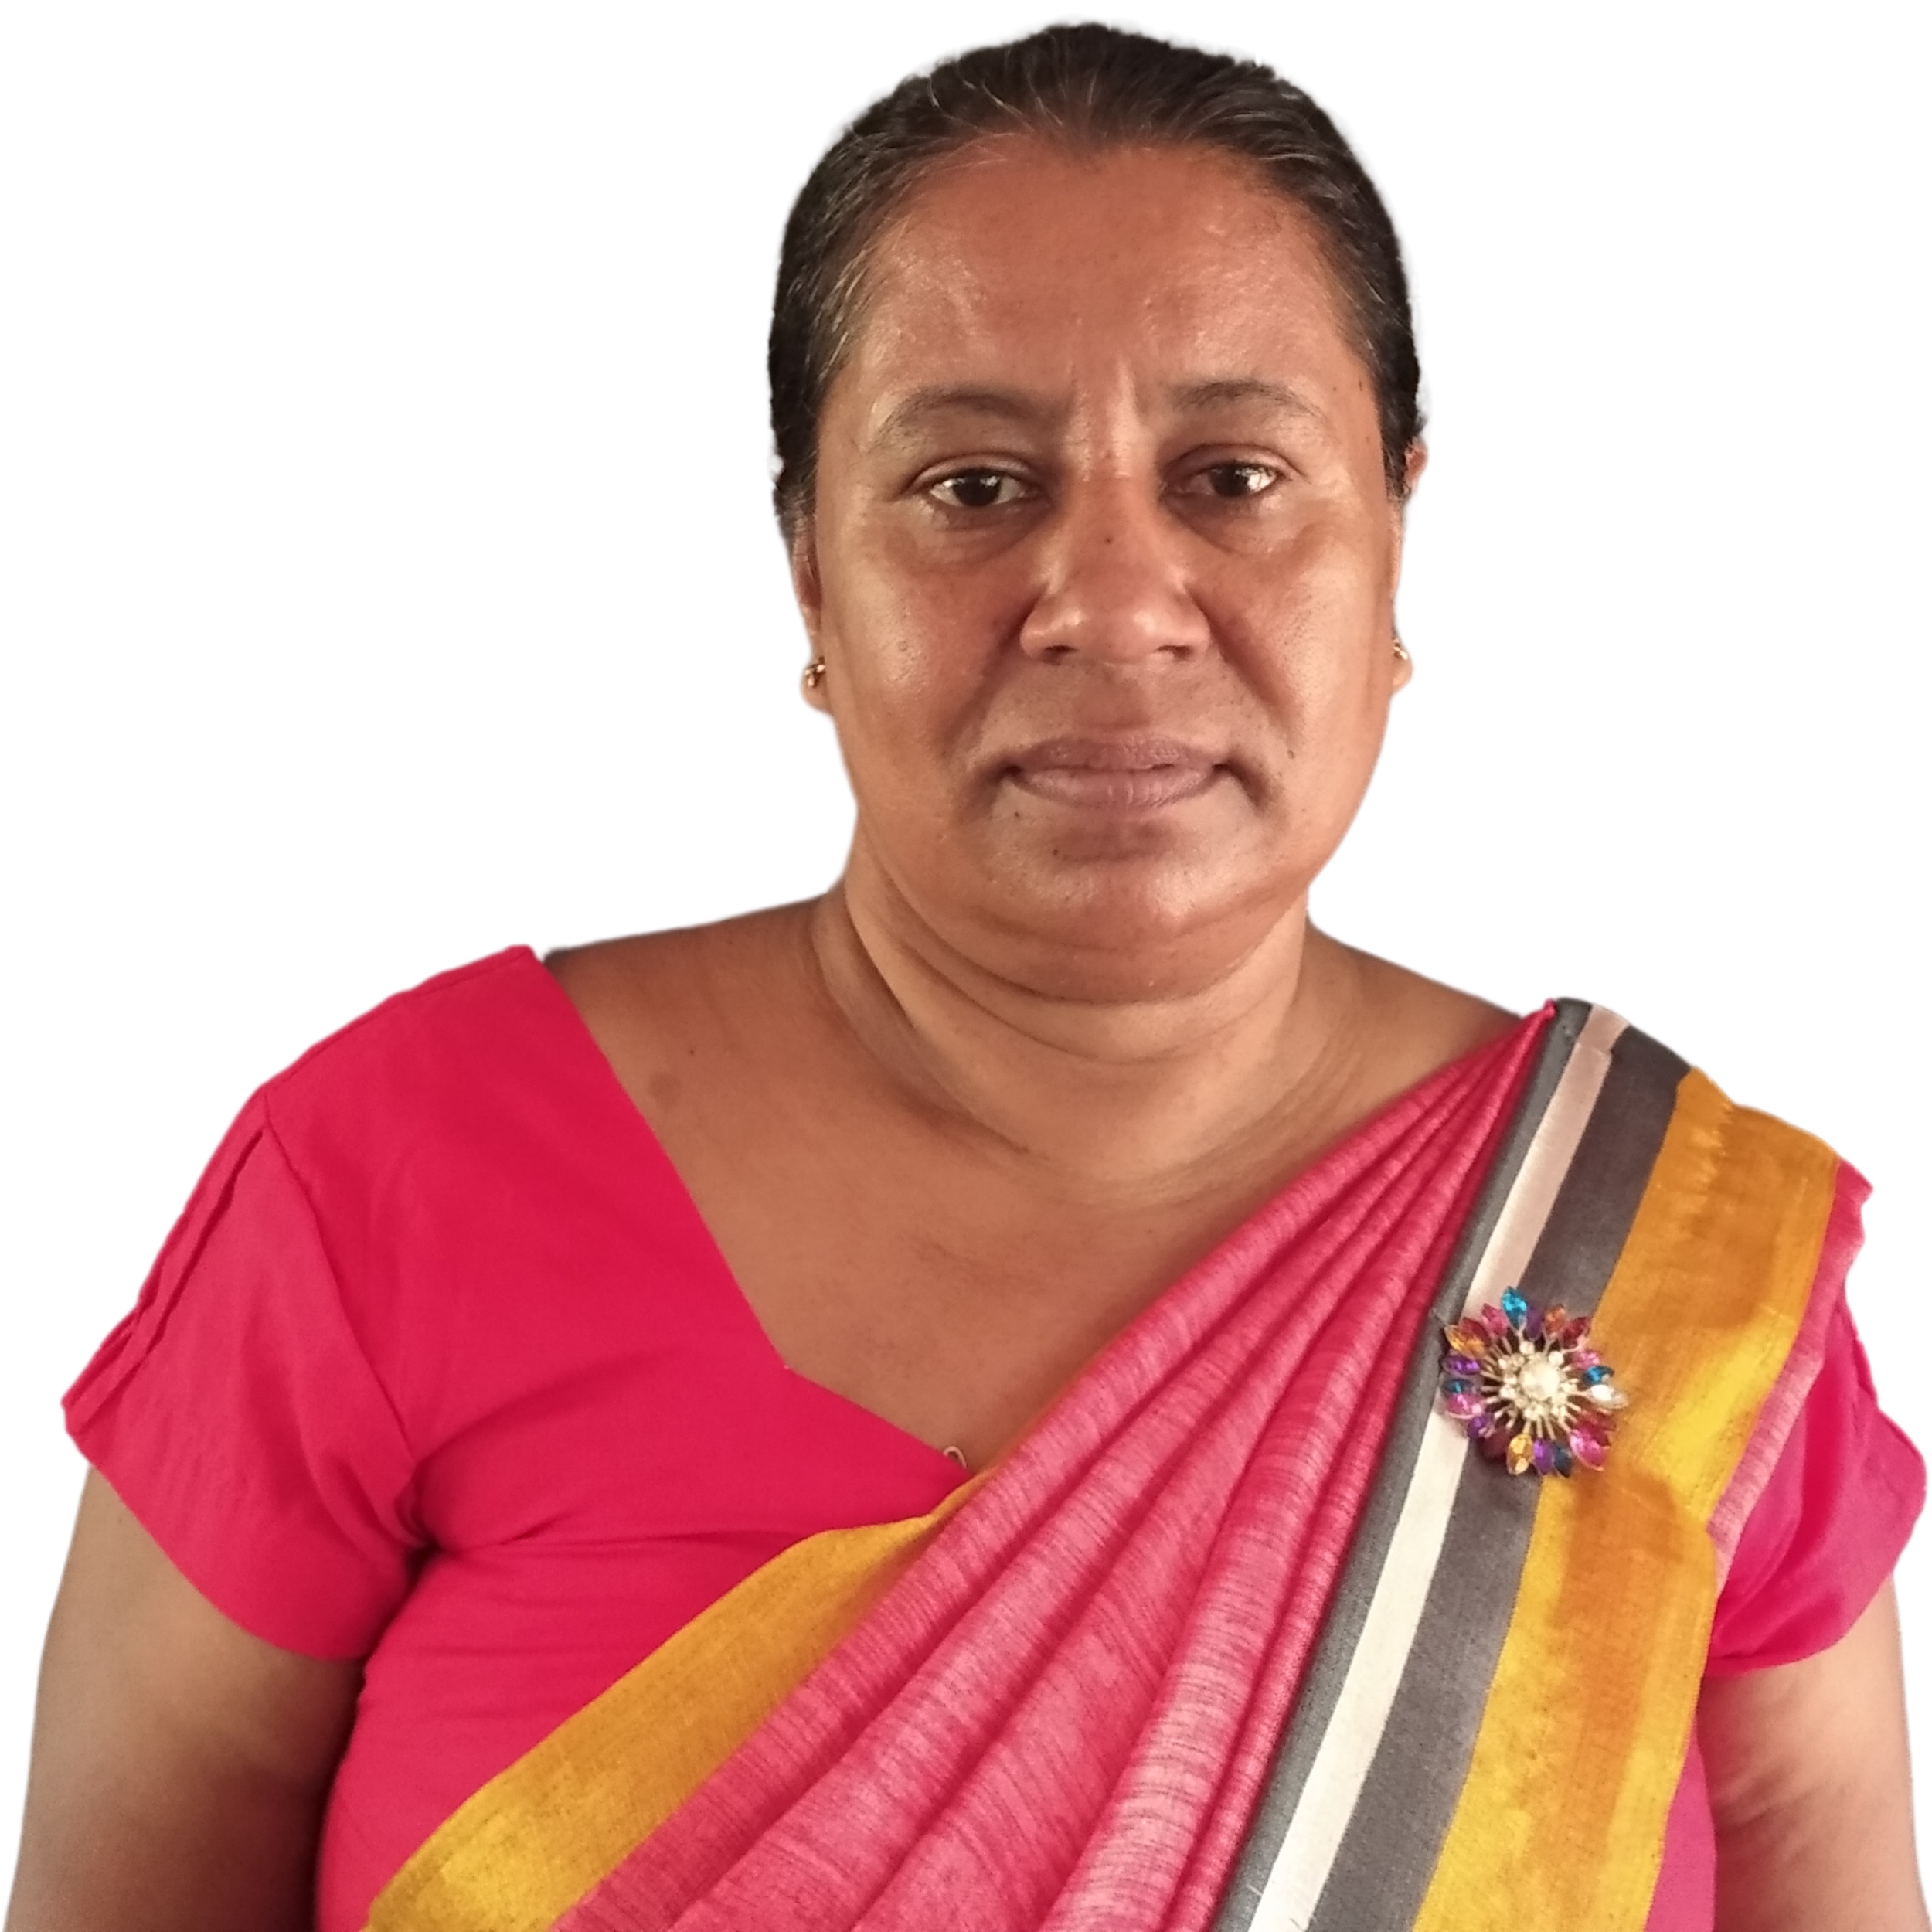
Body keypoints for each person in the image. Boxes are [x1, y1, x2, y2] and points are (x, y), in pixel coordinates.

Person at [6, 23, 1924, 1932]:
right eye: (973, 486)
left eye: (1232, 475)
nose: (1112, 603)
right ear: (809, 576)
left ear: (1391, 541)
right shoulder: (393, 1180)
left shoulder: (1663, 1256)